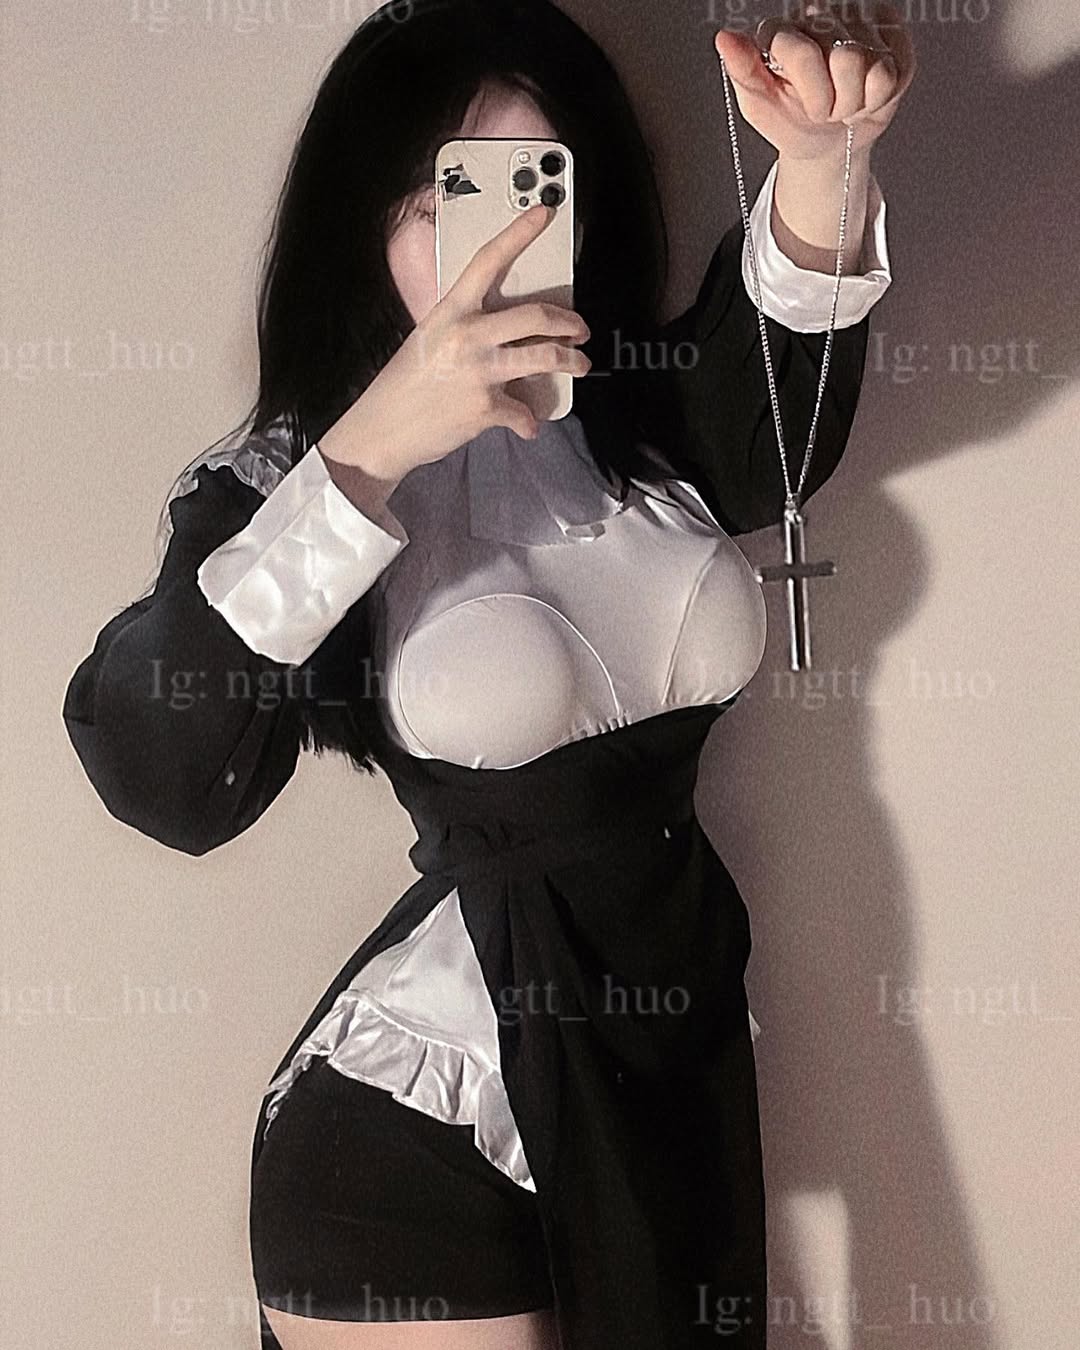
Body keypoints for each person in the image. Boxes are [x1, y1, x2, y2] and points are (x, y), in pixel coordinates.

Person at [61, 1, 914, 1347]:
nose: (496, 241)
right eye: (436, 201)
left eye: (535, 186)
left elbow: (775, 430)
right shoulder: (293, 475)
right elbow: (162, 775)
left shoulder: (635, 418)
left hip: (656, 1078)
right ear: (361, 228)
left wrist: (823, 160)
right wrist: (370, 449)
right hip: (416, 1131)